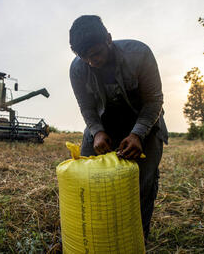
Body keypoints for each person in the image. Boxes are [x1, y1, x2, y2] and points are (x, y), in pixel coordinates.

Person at [69, 15, 168, 240]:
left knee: (142, 185)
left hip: (145, 124)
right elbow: (87, 108)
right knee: (86, 179)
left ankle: (137, 238)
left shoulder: (140, 54)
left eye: (96, 54)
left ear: (109, 40)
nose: (91, 61)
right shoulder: (77, 68)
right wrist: (97, 132)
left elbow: (154, 101)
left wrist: (137, 134)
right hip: (104, 125)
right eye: (84, 57)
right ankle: (97, 236)